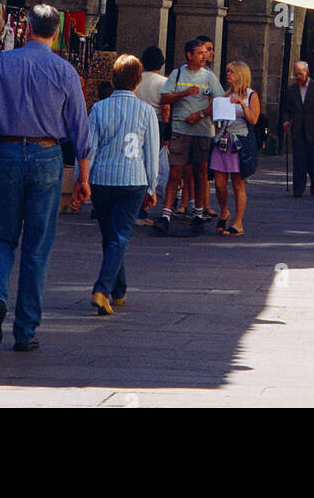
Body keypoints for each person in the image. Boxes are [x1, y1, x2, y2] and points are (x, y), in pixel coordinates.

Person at [0, 3, 91, 352]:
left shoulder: (2, 63)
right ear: (55, 33)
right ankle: (25, 331)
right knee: (38, 247)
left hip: (6, 153)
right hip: (47, 156)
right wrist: (83, 178)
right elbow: (80, 130)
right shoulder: (65, 70)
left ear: (26, 29)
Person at [87, 54, 159, 314]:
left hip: (102, 180)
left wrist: (81, 181)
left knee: (110, 235)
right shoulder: (146, 111)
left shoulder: (98, 108)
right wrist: (152, 187)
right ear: (138, 81)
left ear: (113, 79)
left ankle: (119, 290)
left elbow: (89, 149)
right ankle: (102, 289)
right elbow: (151, 152)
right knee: (120, 236)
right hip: (132, 179)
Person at [154, 37, 225, 235]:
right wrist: (183, 94)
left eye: (205, 52)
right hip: (180, 130)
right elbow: (165, 97)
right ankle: (166, 213)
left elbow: (220, 101)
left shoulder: (209, 77)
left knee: (201, 172)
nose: (204, 56)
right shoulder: (177, 74)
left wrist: (200, 114)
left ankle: (198, 213)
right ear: (190, 55)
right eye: (200, 53)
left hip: (202, 131)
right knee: (176, 171)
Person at [210, 61, 260, 236]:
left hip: (240, 141)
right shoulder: (225, 95)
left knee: (238, 182)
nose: (228, 74)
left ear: (241, 75)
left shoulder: (251, 95)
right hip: (223, 139)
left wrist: (242, 104)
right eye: (227, 71)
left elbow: (254, 119)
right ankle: (224, 210)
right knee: (219, 182)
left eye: (231, 72)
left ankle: (238, 223)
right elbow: (218, 120)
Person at [283, 61, 314, 197]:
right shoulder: (291, 90)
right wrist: (286, 120)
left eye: (300, 74)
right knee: (298, 159)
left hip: (313, 130)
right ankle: (298, 188)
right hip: (297, 129)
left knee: (313, 159)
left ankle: (313, 178)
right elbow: (286, 110)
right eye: (296, 74)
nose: (298, 77)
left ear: (307, 73)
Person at [133, 45, 170, 218]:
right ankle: (146, 201)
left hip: (135, 124)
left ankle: (137, 205)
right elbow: (166, 110)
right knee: (152, 165)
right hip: (155, 126)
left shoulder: (136, 80)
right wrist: (166, 131)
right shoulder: (163, 82)